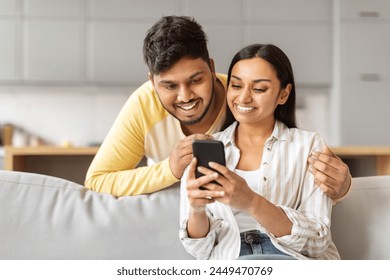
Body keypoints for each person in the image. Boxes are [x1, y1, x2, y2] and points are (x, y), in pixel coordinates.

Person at [85, 15, 350, 198]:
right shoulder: (144, 103)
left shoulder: (241, 99)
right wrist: (169, 169)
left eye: (196, 80)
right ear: (152, 82)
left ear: (212, 68)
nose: (185, 96)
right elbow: (97, 181)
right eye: (169, 86)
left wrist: (342, 186)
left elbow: (291, 167)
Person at [179, 44, 340, 260]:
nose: (243, 98)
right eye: (236, 85)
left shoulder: (308, 146)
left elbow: (318, 241)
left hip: (290, 259)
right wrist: (197, 209)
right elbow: (199, 250)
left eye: (259, 89)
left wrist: (251, 202)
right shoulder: (203, 149)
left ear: (283, 94)